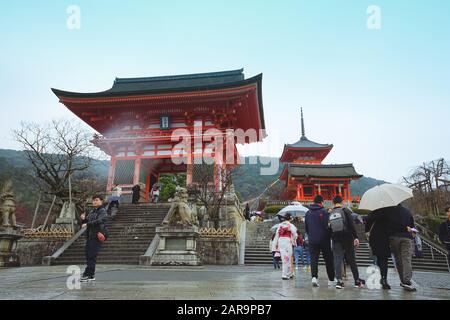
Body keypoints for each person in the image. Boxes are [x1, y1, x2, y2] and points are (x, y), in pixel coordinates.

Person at [329, 196, 366, 289]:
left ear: (333, 202)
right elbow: (351, 225)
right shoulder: (346, 210)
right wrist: (356, 237)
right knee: (351, 259)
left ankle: (339, 282)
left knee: (337, 259)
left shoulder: (330, 212)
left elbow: (329, 228)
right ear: (342, 201)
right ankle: (357, 281)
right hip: (347, 237)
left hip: (336, 238)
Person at [305, 195, 335, 287]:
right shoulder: (324, 212)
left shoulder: (308, 213)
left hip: (312, 239)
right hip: (324, 239)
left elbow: (306, 228)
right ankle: (331, 279)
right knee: (328, 259)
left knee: (314, 259)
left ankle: (314, 277)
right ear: (321, 202)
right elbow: (328, 226)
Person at [385, 204, 417, 292]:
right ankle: (407, 280)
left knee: (398, 259)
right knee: (406, 259)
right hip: (406, 237)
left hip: (394, 237)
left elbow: (387, 226)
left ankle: (402, 280)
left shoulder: (389, 212)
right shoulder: (407, 211)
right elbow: (412, 226)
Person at [80, 195, 109, 282]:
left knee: (92, 255)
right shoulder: (92, 211)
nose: (94, 202)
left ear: (101, 201)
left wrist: (87, 224)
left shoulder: (102, 211)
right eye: (93, 200)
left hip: (97, 235)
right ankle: (90, 274)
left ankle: (88, 274)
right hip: (90, 236)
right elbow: (87, 223)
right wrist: (83, 220)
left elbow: (101, 220)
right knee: (88, 255)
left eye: (96, 200)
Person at [365, 210, 391, 289]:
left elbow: (366, 229)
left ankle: (382, 276)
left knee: (379, 258)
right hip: (385, 238)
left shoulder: (370, 216)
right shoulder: (386, 214)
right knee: (384, 260)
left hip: (374, 239)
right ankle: (384, 279)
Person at [273, 213, 297, 280]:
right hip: (287, 241)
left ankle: (286, 274)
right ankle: (286, 274)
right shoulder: (290, 225)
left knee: (284, 258)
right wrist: (294, 240)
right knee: (288, 258)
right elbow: (295, 234)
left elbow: (277, 234)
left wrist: (275, 244)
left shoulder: (280, 225)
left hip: (281, 241)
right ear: (290, 218)